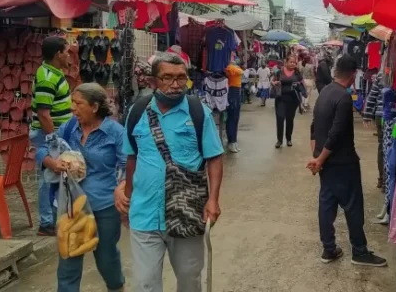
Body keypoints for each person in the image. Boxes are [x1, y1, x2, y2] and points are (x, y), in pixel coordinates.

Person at [114, 53, 224, 292]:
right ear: (153, 82)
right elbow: (132, 158)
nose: (175, 85)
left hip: (186, 211)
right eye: (167, 78)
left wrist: (213, 200)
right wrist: (127, 195)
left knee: (189, 281)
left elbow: (214, 157)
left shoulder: (198, 113)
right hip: (144, 213)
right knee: (145, 284)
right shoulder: (137, 112)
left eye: (181, 78)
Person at [37, 83, 126, 292]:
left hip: (103, 206)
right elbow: (43, 148)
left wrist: (122, 188)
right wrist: (54, 163)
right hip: (71, 206)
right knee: (68, 262)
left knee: (106, 258)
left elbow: (127, 166)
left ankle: (117, 287)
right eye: (72, 103)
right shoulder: (70, 127)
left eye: (78, 104)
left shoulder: (115, 133)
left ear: (94, 107)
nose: (73, 109)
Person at [307, 55, 387, 267]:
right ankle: (359, 252)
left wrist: (317, 158)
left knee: (327, 203)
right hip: (343, 162)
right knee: (353, 207)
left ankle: (329, 249)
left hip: (326, 162)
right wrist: (320, 158)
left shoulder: (324, 92)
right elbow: (336, 133)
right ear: (353, 76)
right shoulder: (343, 98)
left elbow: (314, 127)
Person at [30, 36, 72, 236]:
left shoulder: (55, 72)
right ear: (58, 54)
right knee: (48, 177)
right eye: (67, 52)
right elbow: (44, 114)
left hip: (53, 133)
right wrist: (54, 139)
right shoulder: (47, 77)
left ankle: (53, 218)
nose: (69, 56)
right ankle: (46, 223)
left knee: (54, 176)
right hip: (47, 134)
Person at [270, 55, 305, 149]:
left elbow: (302, 83)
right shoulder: (279, 72)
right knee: (280, 118)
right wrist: (274, 83)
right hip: (280, 98)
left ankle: (288, 139)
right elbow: (272, 81)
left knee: (290, 119)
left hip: (293, 100)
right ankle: (279, 140)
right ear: (286, 62)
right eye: (291, 62)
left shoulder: (297, 73)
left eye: (294, 62)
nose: (293, 64)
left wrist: (300, 87)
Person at [362, 72, 385, 190]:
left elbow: (372, 95)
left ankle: (382, 180)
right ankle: (385, 179)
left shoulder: (380, 75)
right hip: (392, 115)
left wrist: (367, 115)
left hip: (380, 115)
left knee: (382, 147)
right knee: (389, 147)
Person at [225, 59, 244, 153]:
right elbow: (240, 71)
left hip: (236, 91)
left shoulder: (233, 67)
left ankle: (234, 140)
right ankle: (231, 141)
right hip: (232, 91)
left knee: (235, 118)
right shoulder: (230, 68)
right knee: (232, 118)